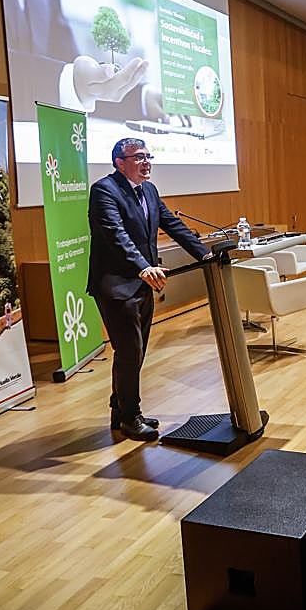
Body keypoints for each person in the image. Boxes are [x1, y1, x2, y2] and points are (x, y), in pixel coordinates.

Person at [88, 138, 213, 440]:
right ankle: (131, 417)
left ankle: (121, 409)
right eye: (139, 157)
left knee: (136, 350)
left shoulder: (149, 191)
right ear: (120, 161)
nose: (146, 163)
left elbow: (172, 224)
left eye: (148, 156)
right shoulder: (105, 190)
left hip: (144, 283)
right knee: (129, 350)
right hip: (116, 284)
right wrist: (142, 266)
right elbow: (116, 236)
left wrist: (205, 254)